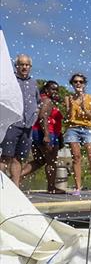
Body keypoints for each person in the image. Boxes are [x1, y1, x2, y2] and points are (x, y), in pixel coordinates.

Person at [0, 54, 39, 186]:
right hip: (12, 124)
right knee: (5, 156)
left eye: (27, 64)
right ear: (16, 66)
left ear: (30, 67)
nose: (24, 67)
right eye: (21, 64)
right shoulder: (9, 81)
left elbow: (37, 101)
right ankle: (1, 186)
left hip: (27, 126)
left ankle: (15, 187)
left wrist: (35, 115)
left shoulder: (34, 83)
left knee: (19, 158)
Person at [64, 73, 91, 196]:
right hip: (73, 128)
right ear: (72, 84)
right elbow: (68, 116)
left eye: (81, 82)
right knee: (76, 157)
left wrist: (83, 107)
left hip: (87, 128)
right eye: (75, 82)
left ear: (84, 84)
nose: (78, 84)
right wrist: (72, 104)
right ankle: (78, 188)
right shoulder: (68, 98)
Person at [21, 80, 64, 193]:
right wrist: (46, 136)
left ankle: (16, 178)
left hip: (35, 133)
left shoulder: (41, 99)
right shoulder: (47, 101)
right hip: (45, 133)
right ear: (46, 90)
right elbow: (42, 117)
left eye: (57, 90)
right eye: (53, 89)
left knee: (39, 161)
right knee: (51, 162)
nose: (55, 92)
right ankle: (51, 188)